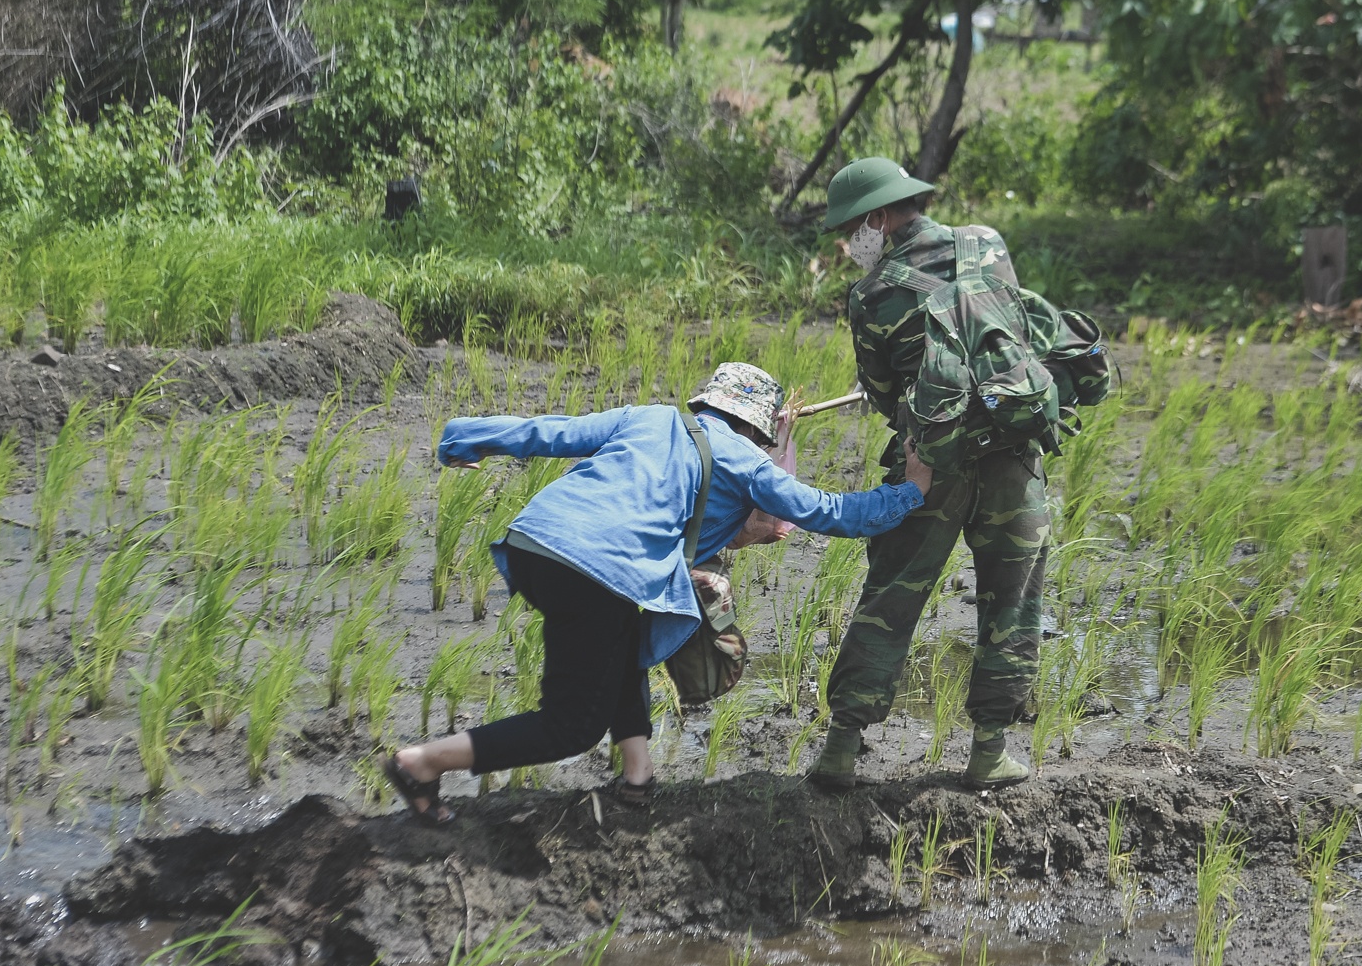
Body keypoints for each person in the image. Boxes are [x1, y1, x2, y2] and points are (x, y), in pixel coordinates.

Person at [385, 362, 932, 824]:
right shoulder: (744, 462)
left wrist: (465, 435)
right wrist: (911, 490)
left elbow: (550, 430)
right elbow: (828, 512)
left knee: (622, 640)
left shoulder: (647, 417)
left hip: (538, 544)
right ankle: (423, 762)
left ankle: (638, 777)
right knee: (570, 725)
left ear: (710, 405)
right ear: (754, 430)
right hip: (598, 567)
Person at [811, 157, 1049, 793]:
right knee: (1012, 603)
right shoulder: (988, 243)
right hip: (1012, 459)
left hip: (928, 466)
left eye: (852, 229)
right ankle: (990, 752)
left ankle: (840, 749)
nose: (848, 243)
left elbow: (888, 397)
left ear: (880, 218)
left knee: (892, 595)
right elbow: (1009, 330)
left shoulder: (872, 294)